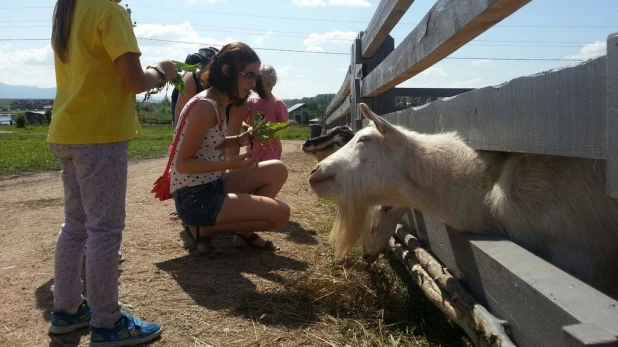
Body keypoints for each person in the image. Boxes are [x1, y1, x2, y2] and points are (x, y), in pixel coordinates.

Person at [47, 0, 177, 345]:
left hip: (67, 131)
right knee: (104, 230)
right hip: (100, 136)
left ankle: (68, 310)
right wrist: (162, 71)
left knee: (75, 225)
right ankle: (107, 323)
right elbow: (134, 81)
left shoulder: (68, 12)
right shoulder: (110, 11)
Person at [170, 42, 290, 255]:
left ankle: (241, 233)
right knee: (280, 215)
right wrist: (230, 163)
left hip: (211, 184)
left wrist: (237, 140)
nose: (253, 84)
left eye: (255, 77)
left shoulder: (219, 101)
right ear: (227, 71)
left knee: (277, 169)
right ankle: (200, 226)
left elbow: (206, 145)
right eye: (249, 75)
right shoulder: (205, 106)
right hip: (195, 197)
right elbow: (183, 163)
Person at [242, 65, 289, 161]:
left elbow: (284, 125)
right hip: (252, 148)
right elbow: (240, 121)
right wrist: (247, 128)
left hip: (271, 149)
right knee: (252, 174)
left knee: (268, 173)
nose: (264, 88)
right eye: (261, 85)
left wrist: (268, 132)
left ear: (274, 83)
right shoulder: (250, 103)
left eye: (267, 84)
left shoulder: (278, 103)